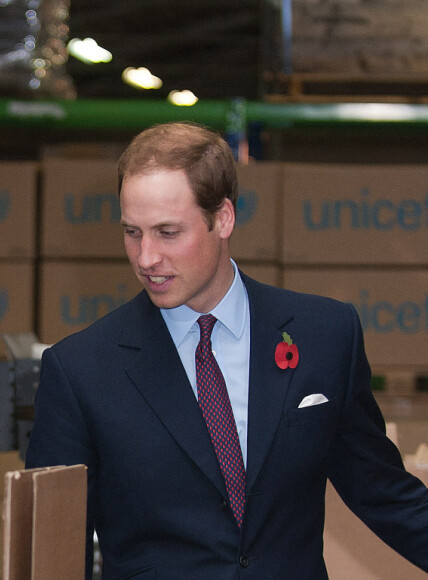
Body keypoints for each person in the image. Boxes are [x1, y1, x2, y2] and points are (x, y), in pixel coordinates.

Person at [26, 122, 428, 579]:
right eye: (132, 232)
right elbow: (54, 551)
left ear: (223, 219)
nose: (146, 257)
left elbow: (384, 492)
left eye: (167, 232)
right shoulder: (81, 370)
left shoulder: (325, 335)